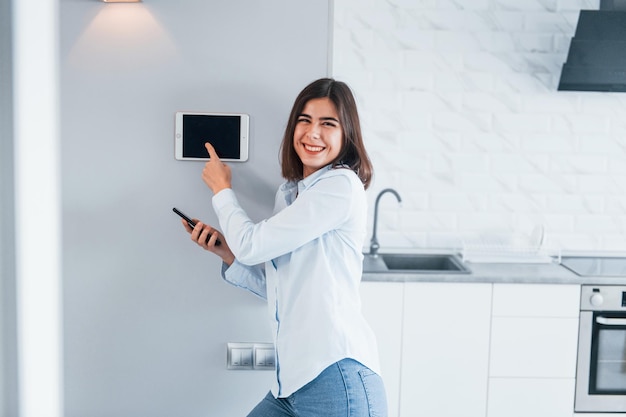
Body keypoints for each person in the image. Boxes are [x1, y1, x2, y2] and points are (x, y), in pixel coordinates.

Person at [181, 78, 387, 417]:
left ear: (346, 134)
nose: (312, 133)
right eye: (304, 120)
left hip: (336, 378)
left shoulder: (340, 186)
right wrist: (227, 254)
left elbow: (252, 244)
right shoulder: (290, 193)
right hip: (290, 384)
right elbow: (282, 289)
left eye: (328, 123)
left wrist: (221, 189)